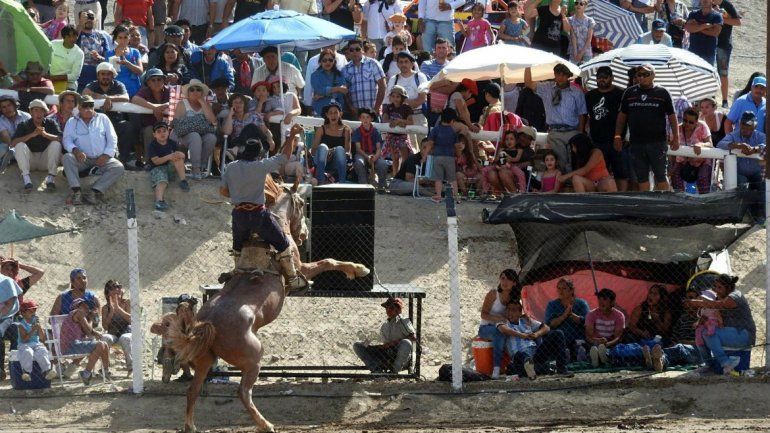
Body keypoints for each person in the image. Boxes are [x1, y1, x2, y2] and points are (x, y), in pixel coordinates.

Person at [220, 124, 308, 291]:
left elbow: (223, 191)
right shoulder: (261, 166)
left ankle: (237, 272)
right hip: (258, 215)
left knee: (238, 246)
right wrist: (291, 137)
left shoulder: (230, 167)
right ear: (259, 154)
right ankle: (293, 278)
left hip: (238, 215)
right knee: (283, 243)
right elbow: (285, 156)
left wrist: (238, 195)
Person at [614, 63, 679, 191]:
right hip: (636, 143)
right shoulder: (629, 92)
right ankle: (647, 202)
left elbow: (672, 116)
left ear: (653, 75)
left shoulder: (663, 92)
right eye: (639, 74)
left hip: (657, 143)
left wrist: (676, 137)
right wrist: (617, 136)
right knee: (641, 178)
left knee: (661, 176)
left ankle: (665, 202)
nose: (642, 77)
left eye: (646, 74)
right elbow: (621, 117)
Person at [685, 274, 755, 374]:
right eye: (715, 287)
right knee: (700, 333)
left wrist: (696, 302)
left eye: (720, 287)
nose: (716, 290)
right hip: (730, 333)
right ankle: (709, 365)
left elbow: (719, 305)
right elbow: (711, 311)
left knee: (709, 334)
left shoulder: (735, 296)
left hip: (744, 334)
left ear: (729, 288)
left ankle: (726, 364)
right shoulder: (719, 297)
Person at [62, 95, 126, 205]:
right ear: (79, 108)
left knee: (118, 167)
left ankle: (94, 191)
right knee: (67, 158)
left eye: (91, 106)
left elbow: (112, 138)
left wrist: (106, 155)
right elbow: (67, 140)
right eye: (85, 106)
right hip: (83, 159)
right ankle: (76, 192)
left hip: (102, 158)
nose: (88, 109)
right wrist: (76, 151)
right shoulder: (71, 122)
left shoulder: (103, 118)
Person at [524, 64, 588, 172]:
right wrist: (528, 65)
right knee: (559, 163)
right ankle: (562, 181)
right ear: (554, 75)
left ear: (568, 76)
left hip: (572, 131)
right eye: (558, 74)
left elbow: (582, 114)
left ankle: (573, 181)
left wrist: (580, 134)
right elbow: (528, 83)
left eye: (564, 75)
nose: (560, 77)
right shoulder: (546, 87)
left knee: (575, 162)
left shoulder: (576, 92)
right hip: (555, 132)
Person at [83, 62, 143, 169]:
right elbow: (85, 94)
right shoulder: (92, 85)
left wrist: (107, 98)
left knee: (127, 126)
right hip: (97, 123)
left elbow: (126, 97)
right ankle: (94, 163)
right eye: (103, 74)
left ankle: (122, 161)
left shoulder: (118, 85)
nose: (105, 76)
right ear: (98, 75)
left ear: (112, 75)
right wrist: (105, 98)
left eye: (108, 74)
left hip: (115, 122)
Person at [498, 300, 573, 379]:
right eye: (508, 309)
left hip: (536, 355)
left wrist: (536, 334)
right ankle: (535, 367)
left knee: (558, 333)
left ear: (520, 313)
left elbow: (546, 328)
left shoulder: (526, 321)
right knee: (520, 355)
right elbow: (503, 329)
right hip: (519, 358)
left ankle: (561, 369)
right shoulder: (504, 322)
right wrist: (522, 335)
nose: (510, 313)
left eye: (513, 310)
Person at [585, 66, 629, 191]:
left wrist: (621, 137)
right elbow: (585, 116)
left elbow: (626, 117)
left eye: (605, 77)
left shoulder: (621, 94)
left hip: (617, 141)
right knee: (598, 175)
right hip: (597, 142)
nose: (602, 80)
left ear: (612, 78)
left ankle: (622, 199)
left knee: (621, 174)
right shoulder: (589, 95)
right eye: (599, 77)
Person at [717, 111, 766, 210]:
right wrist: (737, 145)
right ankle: (739, 212)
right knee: (741, 183)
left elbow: (766, 145)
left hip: (756, 173)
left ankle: (760, 213)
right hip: (740, 174)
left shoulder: (760, 136)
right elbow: (720, 144)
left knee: (763, 185)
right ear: (740, 124)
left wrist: (754, 149)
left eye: (748, 125)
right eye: (743, 124)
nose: (745, 128)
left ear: (755, 126)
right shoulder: (734, 135)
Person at [353, 297, 416, 374]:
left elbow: (413, 338)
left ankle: (394, 372)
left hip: (401, 355)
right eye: (387, 308)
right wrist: (373, 345)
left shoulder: (403, 321)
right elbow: (381, 341)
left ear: (399, 309)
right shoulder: (385, 325)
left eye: (391, 308)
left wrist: (393, 343)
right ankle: (376, 370)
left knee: (406, 343)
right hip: (387, 354)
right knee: (357, 345)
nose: (388, 310)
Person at [10, 99, 61, 192]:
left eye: (42, 110)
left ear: (45, 112)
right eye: (36, 110)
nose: (39, 113)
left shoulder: (51, 123)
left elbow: (60, 138)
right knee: (19, 145)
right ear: (31, 112)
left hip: (45, 161)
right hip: (30, 162)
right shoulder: (23, 124)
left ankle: (51, 178)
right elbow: (13, 143)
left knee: (56, 144)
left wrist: (45, 134)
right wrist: (32, 135)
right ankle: (26, 179)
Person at [478, 269, 520, 379]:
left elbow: (516, 315)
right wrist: (498, 319)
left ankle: (519, 363)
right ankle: (496, 368)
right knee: (499, 332)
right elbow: (483, 314)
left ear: (514, 283)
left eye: (509, 279)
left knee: (517, 332)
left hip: (504, 327)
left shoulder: (514, 297)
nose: (505, 282)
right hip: (486, 328)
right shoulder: (493, 293)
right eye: (502, 278)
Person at [60, 297, 111, 385]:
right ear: (77, 307)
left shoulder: (80, 317)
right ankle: (86, 374)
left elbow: (89, 333)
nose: (87, 307)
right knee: (100, 345)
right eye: (83, 305)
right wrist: (98, 334)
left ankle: (105, 372)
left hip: (76, 344)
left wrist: (91, 318)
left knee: (104, 344)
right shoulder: (78, 312)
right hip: (70, 345)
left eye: (86, 305)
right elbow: (90, 331)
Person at [173, 79, 218, 180]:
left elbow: (213, 121)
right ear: (188, 93)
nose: (195, 92)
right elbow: (177, 124)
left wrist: (203, 103)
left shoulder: (206, 104)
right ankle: (195, 168)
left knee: (211, 138)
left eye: (198, 89)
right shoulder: (182, 103)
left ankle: (201, 165)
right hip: (181, 135)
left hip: (202, 134)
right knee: (195, 136)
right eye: (192, 89)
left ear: (202, 92)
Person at [426, 108, 470, 203]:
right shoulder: (453, 132)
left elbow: (430, 143)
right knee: (452, 179)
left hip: (437, 157)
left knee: (438, 179)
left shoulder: (435, 130)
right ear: (452, 121)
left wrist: (425, 155)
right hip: (450, 158)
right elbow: (456, 146)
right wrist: (458, 155)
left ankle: (438, 196)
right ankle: (456, 197)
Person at [148, 121, 190, 210]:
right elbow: (156, 161)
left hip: (170, 169)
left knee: (178, 158)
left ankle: (183, 180)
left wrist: (181, 155)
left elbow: (182, 156)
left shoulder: (173, 143)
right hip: (157, 169)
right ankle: (159, 201)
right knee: (162, 182)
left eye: (164, 131)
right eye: (159, 131)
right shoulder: (152, 145)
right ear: (154, 135)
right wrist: (169, 156)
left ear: (168, 132)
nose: (162, 133)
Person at [544, 278, 590, 359]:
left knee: (579, 347)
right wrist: (564, 315)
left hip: (578, 338)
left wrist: (572, 315)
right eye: (558, 288)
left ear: (572, 290)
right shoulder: (552, 305)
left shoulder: (581, 303)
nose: (560, 291)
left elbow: (587, 322)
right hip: (559, 340)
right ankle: (565, 354)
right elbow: (550, 324)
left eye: (564, 288)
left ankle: (578, 352)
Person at [670, 108, 713, 194]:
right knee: (674, 175)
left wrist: (700, 145)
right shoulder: (677, 129)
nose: (687, 124)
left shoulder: (702, 126)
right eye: (685, 120)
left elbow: (710, 144)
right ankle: (680, 199)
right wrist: (672, 166)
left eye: (691, 122)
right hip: (683, 162)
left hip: (702, 161)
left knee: (702, 177)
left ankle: (705, 200)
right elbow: (672, 150)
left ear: (696, 122)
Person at [132, 69, 173, 154]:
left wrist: (167, 104)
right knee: (149, 131)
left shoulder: (170, 91)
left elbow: (178, 100)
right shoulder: (144, 91)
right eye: (153, 80)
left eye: (159, 79)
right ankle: (149, 160)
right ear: (148, 83)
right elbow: (135, 99)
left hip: (169, 125)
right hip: (150, 127)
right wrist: (155, 108)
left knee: (174, 131)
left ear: (163, 81)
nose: (156, 82)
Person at [342, 39, 386, 117]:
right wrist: (351, 108)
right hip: (355, 114)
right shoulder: (345, 69)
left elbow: (382, 86)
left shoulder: (373, 64)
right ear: (348, 52)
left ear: (362, 50)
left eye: (357, 49)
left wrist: (376, 109)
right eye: (351, 50)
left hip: (373, 112)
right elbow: (344, 92)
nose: (354, 52)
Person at [15, 300, 57, 381]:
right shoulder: (21, 325)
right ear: (23, 313)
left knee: (42, 351)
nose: (33, 312)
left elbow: (42, 338)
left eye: (34, 310)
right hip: (24, 344)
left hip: (36, 344)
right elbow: (24, 339)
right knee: (28, 352)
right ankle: (26, 372)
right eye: (30, 311)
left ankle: (47, 371)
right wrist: (33, 330)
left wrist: (39, 328)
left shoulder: (35, 323)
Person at [311, 101, 351, 184]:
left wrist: (333, 151)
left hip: (336, 163)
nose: (333, 115)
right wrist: (326, 152)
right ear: (327, 115)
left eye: (335, 113)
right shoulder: (321, 129)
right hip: (321, 160)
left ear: (340, 114)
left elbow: (347, 152)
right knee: (323, 147)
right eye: (331, 113)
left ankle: (342, 183)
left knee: (340, 149)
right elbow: (313, 151)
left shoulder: (346, 130)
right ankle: (320, 181)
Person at [585, 288, 624, 367]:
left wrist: (607, 344)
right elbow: (588, 335)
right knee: (593, 348)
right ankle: (599, 357)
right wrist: (597, 341)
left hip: (611, 343)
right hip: (595, 342)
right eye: (599, 299)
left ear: (612, 302)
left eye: (605, 299)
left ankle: (602, 356)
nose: (601, 302)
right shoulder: (591, 314)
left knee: (615, 349)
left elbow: (618, 337)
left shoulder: (619, 316)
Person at [381, 85, 414, 177]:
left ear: (402, 97)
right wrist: (392, 122)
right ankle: (395, 176)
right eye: (393, 96)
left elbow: (410, 122)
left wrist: (399, 121)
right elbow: (384, 119)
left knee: (405, 158)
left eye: (398, 96)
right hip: (392, 136)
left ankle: (403, 176)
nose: (395, 98)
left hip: (402, 136)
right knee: (395, 158)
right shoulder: (388, 107)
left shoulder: (407, 108)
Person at [75, 10, 112, 92]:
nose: (89, 19)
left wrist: (99, 57)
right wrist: (80, 24)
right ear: (80, 19)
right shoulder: (76, 34)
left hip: (98, 79)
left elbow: (109, 58)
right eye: (86, 17)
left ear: (95, 19)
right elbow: (72, 42)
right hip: (79, 79)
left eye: (91, 17)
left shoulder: (101, 36)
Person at [100, 280, 133, 372]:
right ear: (107, 293)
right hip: (113, 333)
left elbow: (131, 320)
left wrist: (118, 309)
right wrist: (111, 312)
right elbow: (105, 327)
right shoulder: (105, 308)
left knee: (125, 338)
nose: (117, 289)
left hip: (127, 332)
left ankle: (131, 366)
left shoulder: (127, 302)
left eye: (118, 287)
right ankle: (105, 369)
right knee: (105, 338)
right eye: (113, 288)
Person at [352, 108, 388, 191]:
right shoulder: (357, 131)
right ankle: (363, 186)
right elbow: (358, 149)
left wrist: (375, 157)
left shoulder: (375, 131)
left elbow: (379, 148)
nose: (365, 119)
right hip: (362, 153)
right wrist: (367, 157)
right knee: (359, 163)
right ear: (360, 119)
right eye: (363, 117)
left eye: (367, 117)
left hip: (374, 153)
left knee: (382, 164)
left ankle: (382, 186)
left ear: (371, 118)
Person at [105, 25, 145, 98]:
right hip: (116, 91)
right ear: (116, 39)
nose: (123, 40)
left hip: (134, 90)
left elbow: (140, 71)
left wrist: (127, 63)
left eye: (125, 37)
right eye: (120, 38)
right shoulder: (109, 54)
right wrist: (117, 56)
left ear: (129, 38)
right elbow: (109, 74)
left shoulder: (135, 52)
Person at [311, 48, 348, 116]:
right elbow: (320, 90)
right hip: (320, 111)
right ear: (320, 62)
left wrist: (323, 95)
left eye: (330, 60)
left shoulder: (339, 75)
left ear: (334, 61)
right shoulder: (315, 75)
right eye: (324, 60)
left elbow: (344, 91)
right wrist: (338, 89)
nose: (328, 62)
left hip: (337, 113)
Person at [684, 0, 722, 66]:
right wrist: (703, 26)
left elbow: (715, 32)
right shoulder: (693, 14)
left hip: (708, 54)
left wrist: (697, 27)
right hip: (693, 52)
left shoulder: (717, 16)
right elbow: (688, 28)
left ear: (712, 1)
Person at [49, 25, 85, 93]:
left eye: (74, 36)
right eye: (69, 36)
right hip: (50, 81)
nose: (72, 39)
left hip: (69, 83)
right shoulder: (53, 44)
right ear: (63, 37)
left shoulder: (79, 53)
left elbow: (74, 76)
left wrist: (53, 78)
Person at [563, 0, 595, 64]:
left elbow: (589, 39)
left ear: (585, 6)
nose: (578, 5)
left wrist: (581, 53)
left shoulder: (590, 21)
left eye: (581, 4)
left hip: (586, 53)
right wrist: (575, 53)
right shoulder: (570, 20)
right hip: (573, 53)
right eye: (576, 3)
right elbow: (573, 37)